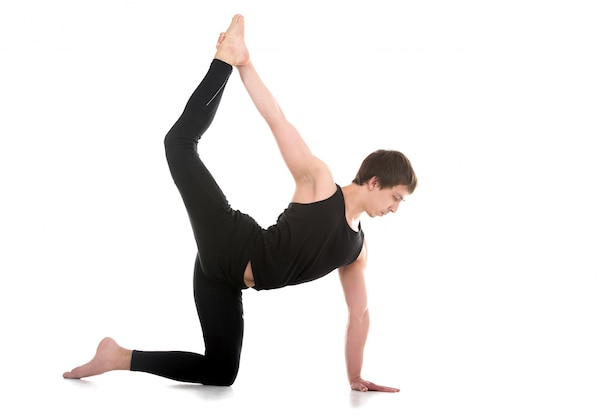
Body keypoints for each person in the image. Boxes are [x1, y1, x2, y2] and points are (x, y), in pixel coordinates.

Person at [63, 14, 417, 392]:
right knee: (179, 145)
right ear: (375, 181)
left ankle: (116, 356)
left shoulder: (356, 249)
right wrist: (244, 63)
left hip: (222, 278)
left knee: (221, 372)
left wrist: (354, 376)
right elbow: (277, 120)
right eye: (395, 197)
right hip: (229, 240)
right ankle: (224, 61)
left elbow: (359, 314)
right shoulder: (319, 181)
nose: (394, 208)